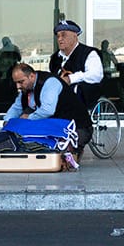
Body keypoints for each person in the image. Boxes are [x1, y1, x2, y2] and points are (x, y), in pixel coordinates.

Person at [44, 19, 100, 157]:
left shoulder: (89, 53)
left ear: (75, 35)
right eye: (58, 36)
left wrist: (71, 78)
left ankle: (76, 138)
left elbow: (96, 75)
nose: (60, 39)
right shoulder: (55, 58)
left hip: (82, 94)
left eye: (64, 35)